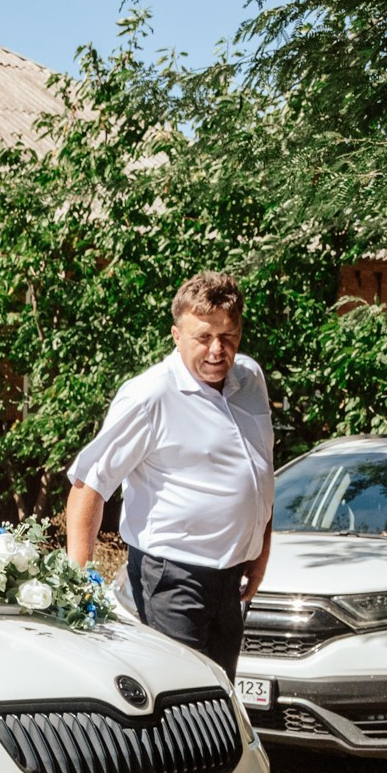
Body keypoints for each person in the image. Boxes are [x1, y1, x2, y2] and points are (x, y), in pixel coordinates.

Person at [63, 272, 273, 678]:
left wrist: (260, 553)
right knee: (179, 701)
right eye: (203, 337)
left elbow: (260, 470)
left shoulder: (250, 379)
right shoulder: (150, 394)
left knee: (219, 699)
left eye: (228, 336)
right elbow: (89, 484)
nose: (217, 350)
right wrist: (78, 580)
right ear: (176, 336)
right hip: (172, 581)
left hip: (230, 580)